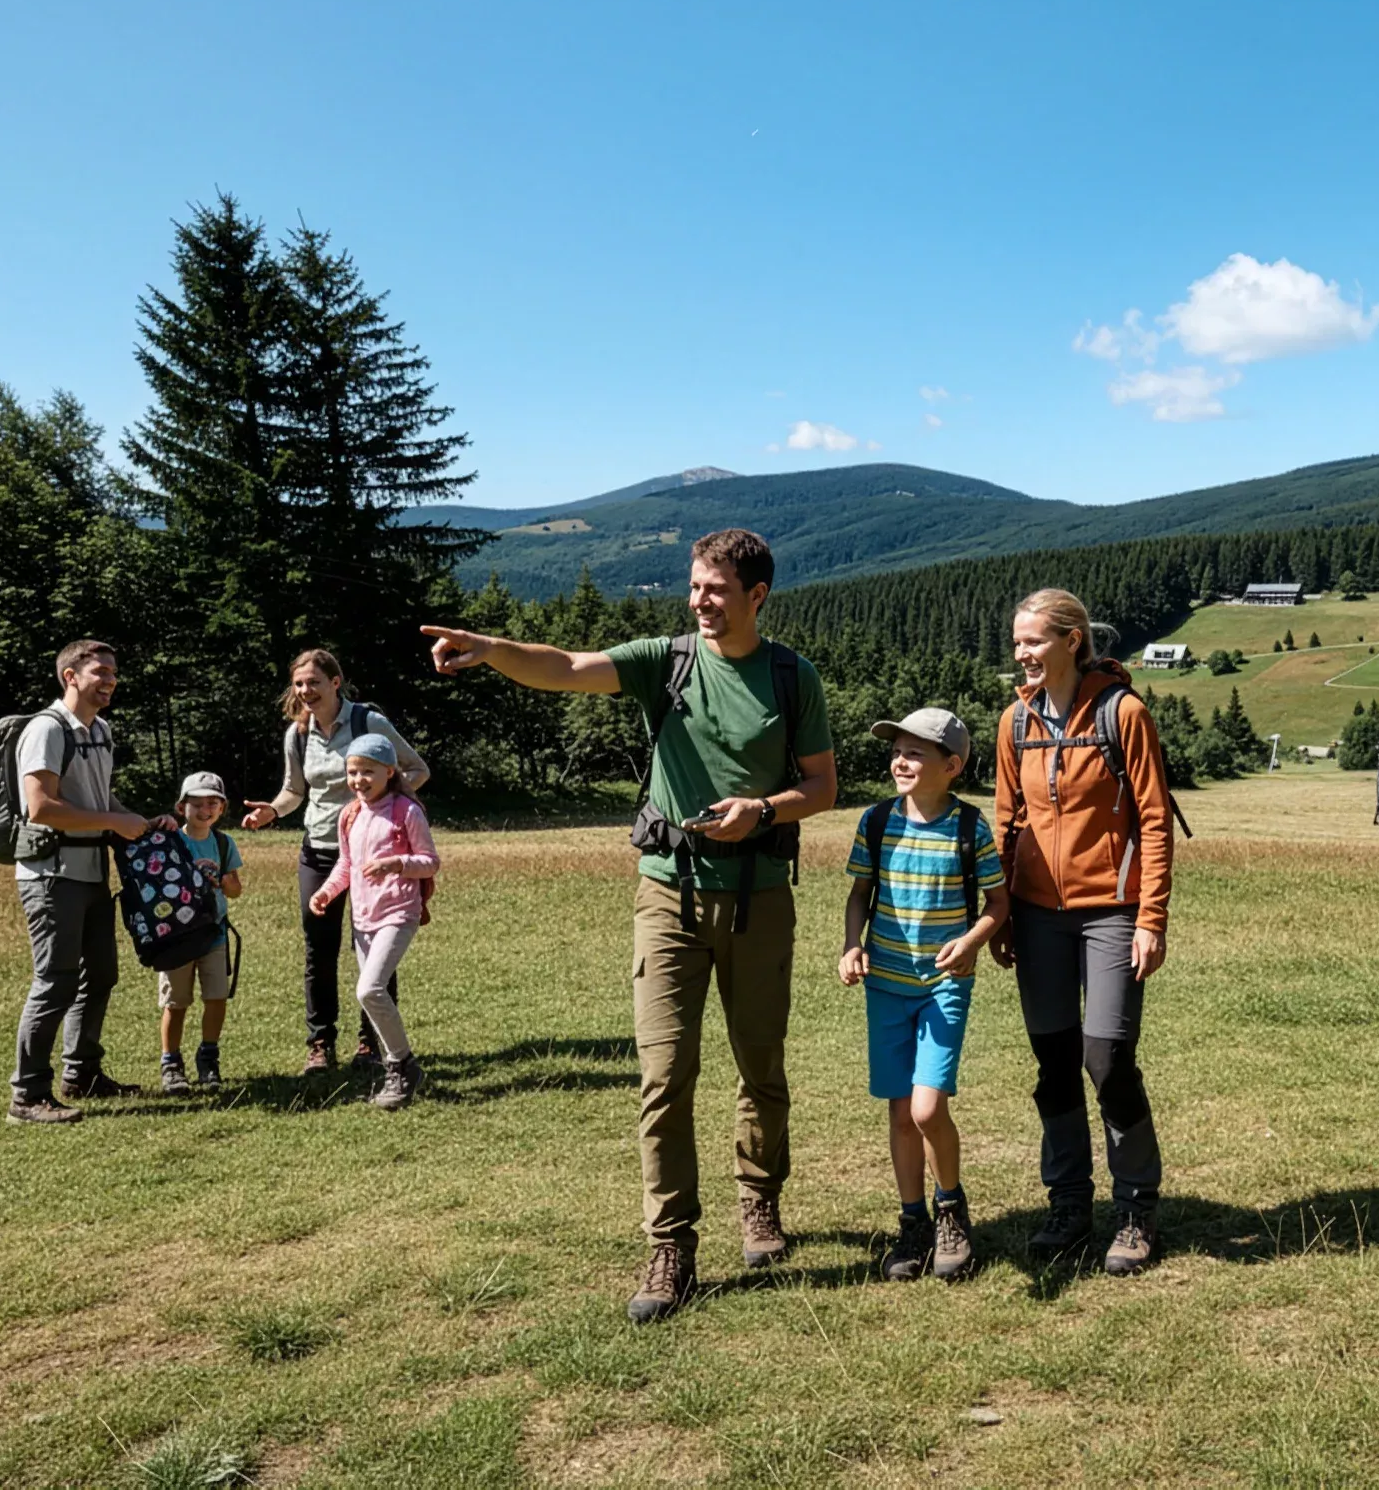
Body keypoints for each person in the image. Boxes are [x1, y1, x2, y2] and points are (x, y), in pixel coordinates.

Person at [422, 528, 836, 1324]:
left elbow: (820, 786)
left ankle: (759, 1199)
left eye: (715, 590)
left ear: (757, 596)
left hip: (760, 900)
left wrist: (762, 810)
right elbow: (567, 667)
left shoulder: (792, 677)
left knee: (761, 1068)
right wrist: (490, 647)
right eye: (693, 587)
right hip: (666, 898)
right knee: (664, 1074)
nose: (699, 602)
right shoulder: (666, 660)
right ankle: (671, 1245)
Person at [992, 589, 1180, 1276]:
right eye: (1017, 642)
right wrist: (1003, 913)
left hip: (1111, 911)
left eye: (1034, 640)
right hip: (1037, 916)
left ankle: (1135, 1207)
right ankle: (1069, 1205)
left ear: (1073, 640)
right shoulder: (1015, 723)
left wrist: (1150, 918)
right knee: (1053, 1063)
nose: (1022, 653)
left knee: (1107, 1058)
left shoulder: (1122, 712)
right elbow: (1007, 825)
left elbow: (1155, 822)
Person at [840, 708, 1008, 1283]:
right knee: (900, 1113)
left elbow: (998, 905)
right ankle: (912, 1224)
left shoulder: (970, 828)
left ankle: (951, 1209)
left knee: (927, 1106)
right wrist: (850, 944)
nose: (900, 761)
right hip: (885, 985)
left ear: (952, 766)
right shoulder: (877, 820)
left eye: (915, 753)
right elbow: (861, 893)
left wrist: (972, 942)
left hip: (943, 986)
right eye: (898, 751)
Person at [6, 640, 174, 1125]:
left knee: (100, 973)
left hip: (92, 871)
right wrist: (111, 823)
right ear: (70, 677)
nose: (110, 680)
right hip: (52, 874)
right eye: (100, 671)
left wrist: (136, 820)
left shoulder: (99, 730)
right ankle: (27, 1095)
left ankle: (82, 1073)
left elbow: (100, 796)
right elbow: (41, 807)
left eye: (114, 672)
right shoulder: (46, 729)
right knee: (54, 980)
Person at [239, 650, 430, 1076]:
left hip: (371, 858)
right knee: (318, 951)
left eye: (314, 683)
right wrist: (271, 811)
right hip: (320, 852)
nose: (306, 691)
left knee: (372, 948)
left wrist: (384, 805)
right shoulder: (298, 733)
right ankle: (320, 1045)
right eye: (299, 684)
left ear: (335, 682)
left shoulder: (367, 723)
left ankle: (371, 1044)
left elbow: (416, 769)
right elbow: (293, 791)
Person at [306, 736, 439, 1110]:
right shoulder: (350, 815)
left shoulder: (405, 811)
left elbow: (430, 862)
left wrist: (396, 863)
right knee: (369, 992)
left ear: (389, 772)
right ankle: (400, 1069)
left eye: (368, 771)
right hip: (362, 917)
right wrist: (327, 894)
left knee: (369, 990)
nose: (359, 779)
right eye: (352, 771)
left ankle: (401, 1065)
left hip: (399, 913)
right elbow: (346, 866)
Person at [159, 772, 244, 1096]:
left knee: (216, 998)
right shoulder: (170, 841)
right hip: (176, 936)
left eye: (212, 803)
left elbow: (235, 889)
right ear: (182, 807)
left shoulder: (223, 844)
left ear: (222, 808)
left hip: (214, 935)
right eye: (197, 803)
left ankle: (209, 1056)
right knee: (176, 1002)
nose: (205, 810)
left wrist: (224, 882)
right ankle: (171, 1064)